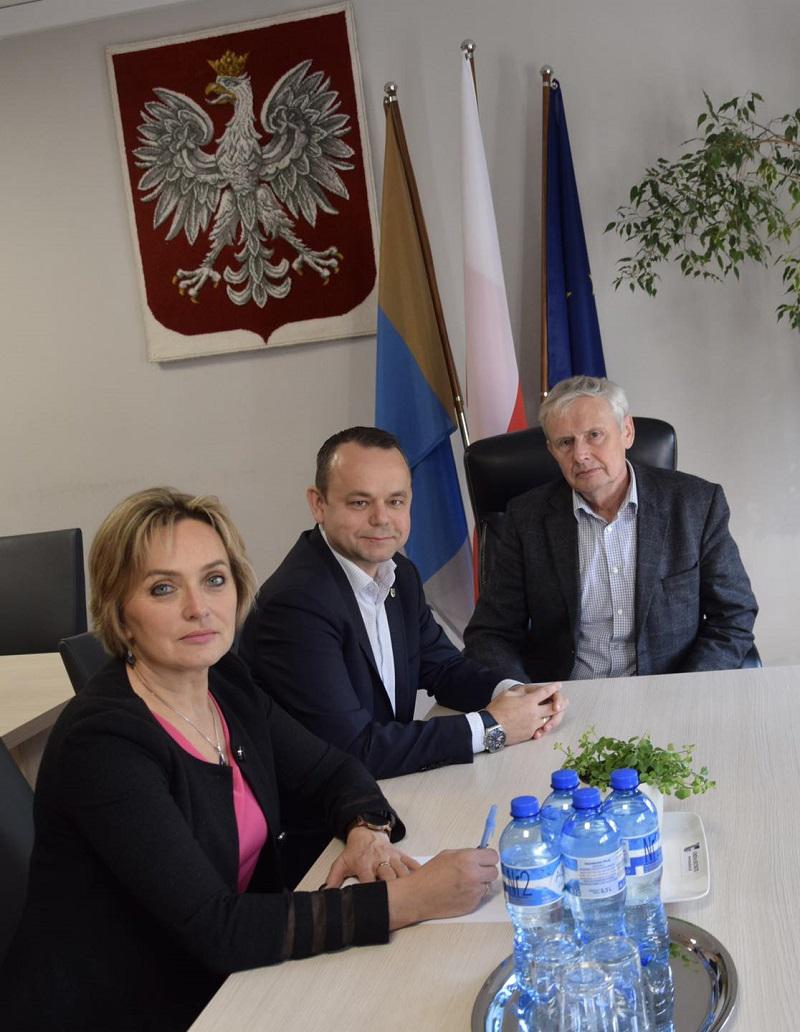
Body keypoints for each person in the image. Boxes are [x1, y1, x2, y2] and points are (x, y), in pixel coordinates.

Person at [0, 488, 498, 1032]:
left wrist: (366, 829)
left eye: (214, 579)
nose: (199, 608)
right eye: (164, 588)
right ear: (120, 614)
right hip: (127, 1007)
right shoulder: (104, 743)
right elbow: (216, 926)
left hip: (230, 980)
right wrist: (410, 898)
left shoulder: (225, 682)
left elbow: (332, 770)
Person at [240, 427, 567, 786]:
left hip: (388, 784)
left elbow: (445, 669)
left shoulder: (399, 574)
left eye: (395, 501)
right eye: (360, 502)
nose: (381, 518)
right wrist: (493, 726)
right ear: (318, 504)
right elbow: (354, 749)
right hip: (321, 808)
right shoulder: (296, 604)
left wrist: (515, 694)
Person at [464, 376, 758, 682]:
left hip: (669, 689)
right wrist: (522, 695)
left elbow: (734, 616)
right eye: (565, 442)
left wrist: (687, 689)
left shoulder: (695, 504)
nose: (580, 454)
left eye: (594, 435)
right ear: (551, 450)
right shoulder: (526, 518)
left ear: (626, 432)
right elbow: (491, 633)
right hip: (565, 695)